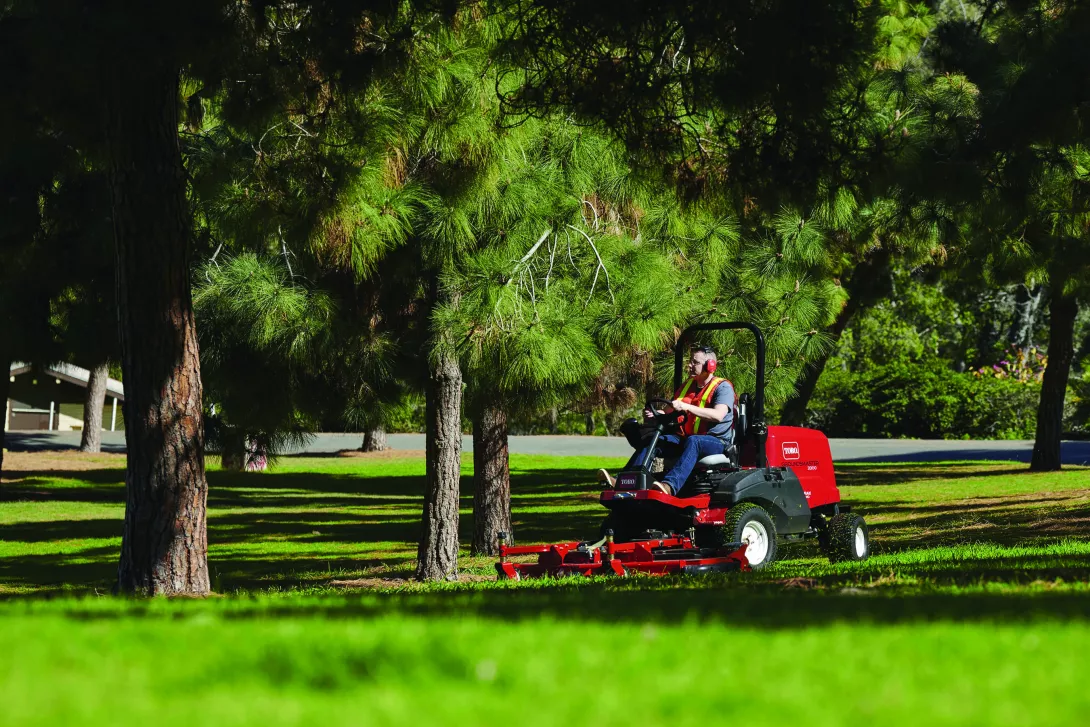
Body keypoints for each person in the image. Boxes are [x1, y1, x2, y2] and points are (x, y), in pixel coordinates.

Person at [598, 346, 736, 496]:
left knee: (695, 441)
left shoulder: (723, 388)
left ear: (710, 366)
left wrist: (686, 406)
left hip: (716, 442)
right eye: (690, 361)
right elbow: (670, 410)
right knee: (655, 440)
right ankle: (624, 481)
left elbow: (718, 415)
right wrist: (656, 413)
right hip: (687, 439)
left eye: (694, 362)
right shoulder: (687, 385)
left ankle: (669, 485)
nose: (689, 365)